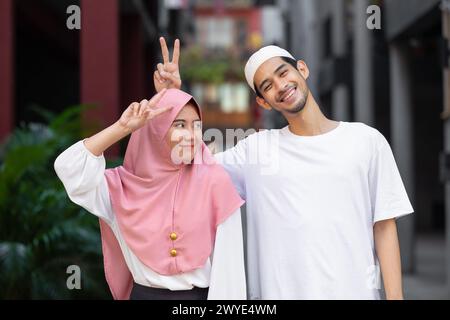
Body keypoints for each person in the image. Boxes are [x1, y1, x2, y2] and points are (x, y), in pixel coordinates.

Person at [155, 40, 414, 300]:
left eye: (283, 73)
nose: (280, 86)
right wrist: (171, 102)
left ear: (302, 69)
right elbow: (185, 162)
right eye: (267, 86)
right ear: (263, 102)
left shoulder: (366, 141)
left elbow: (383, 226)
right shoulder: (255, 151)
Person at [55, 76, 246, 299]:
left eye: (197, 126)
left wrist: (172, 96)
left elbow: (230, 269)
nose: (191, 135)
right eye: (179, 125)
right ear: (155, 129)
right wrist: (122, 128)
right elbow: (69, 167)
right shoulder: (119, 188)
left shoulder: (214, 182)